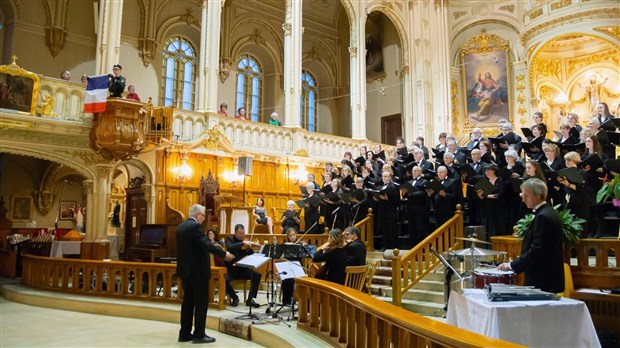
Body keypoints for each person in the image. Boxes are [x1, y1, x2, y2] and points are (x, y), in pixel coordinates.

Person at [176, 204, 234, 344]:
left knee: (188, 302)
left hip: (185, 272)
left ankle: (184, 333)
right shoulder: (195, 227)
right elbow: (207, 245)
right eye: (203, 215)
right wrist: (224, 253)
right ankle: (199, 334)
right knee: (201, 303)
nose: (204, 218)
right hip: (198, 272)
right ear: (197, 215)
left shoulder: (181, 227)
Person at [499, 178, 564, 294]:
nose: (523, 199)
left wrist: (512, 265)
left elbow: (538, 249)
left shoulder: (543, 216)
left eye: (526, 195)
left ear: (538, 195)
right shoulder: (548, 212)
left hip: (543, 279)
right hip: (546, 277)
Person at [225, 224, 262, 308]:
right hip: (232, 270)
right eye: (240, 233)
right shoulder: (229, 239)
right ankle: (235, 297)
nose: (242, 235)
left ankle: (250, 299)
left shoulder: (246, 243)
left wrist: (254, 250)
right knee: (224, 280)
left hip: (243, 270)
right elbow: (230, 247)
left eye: (243, 233)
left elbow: (251, 254)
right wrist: (242, 242)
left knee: (257, 275)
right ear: (235, 233)